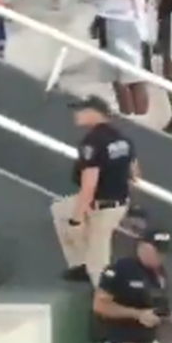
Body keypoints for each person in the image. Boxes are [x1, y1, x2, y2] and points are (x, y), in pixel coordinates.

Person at [52, 96, 136, 286]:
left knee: (98, 261)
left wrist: (77, 219)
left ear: (93, 113)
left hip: (101, 205)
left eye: (80, 110)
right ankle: (80, 265)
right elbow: (135, 173)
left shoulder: (92, 142)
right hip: (119, 201)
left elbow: (89, 186)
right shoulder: (122, 139)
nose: (76, 115)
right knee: (60, 209)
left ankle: (104, 299)